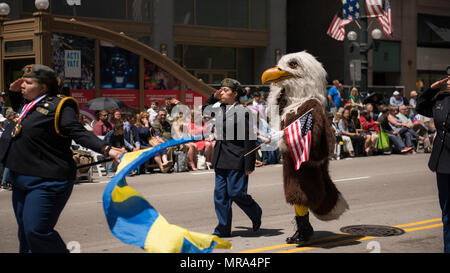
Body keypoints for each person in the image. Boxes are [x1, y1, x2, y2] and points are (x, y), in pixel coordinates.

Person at [0, 64, 123, 253]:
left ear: (43, 87)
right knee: (25, 233)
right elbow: (21, 112)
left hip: (47, 180)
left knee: (37, 230)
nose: (22, 85)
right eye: (23, 81)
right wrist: (14, 91)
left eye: (28, 82)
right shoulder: (27, 104)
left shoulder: (60, 105)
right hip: (20, 176)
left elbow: (78, 132)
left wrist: (106, 149)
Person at [202, 78, 262, 237]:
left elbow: (249, 138)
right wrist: (213, 97)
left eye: (225, 90)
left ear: (235, 94)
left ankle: (255, 212)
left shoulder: (243, 112)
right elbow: (204, 110)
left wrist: (249, 163)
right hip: (221, 157)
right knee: (220, 196)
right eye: (220, 89)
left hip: (237, 157)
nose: (222, 92)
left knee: (236, 193)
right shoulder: (220, 108)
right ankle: (223, 228)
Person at [416, 76, 450, 253]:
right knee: (447, 214)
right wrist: (432, 89)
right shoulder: (441, 99)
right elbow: (420, 106)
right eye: (449, 78)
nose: (449, 81)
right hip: (442, 161)